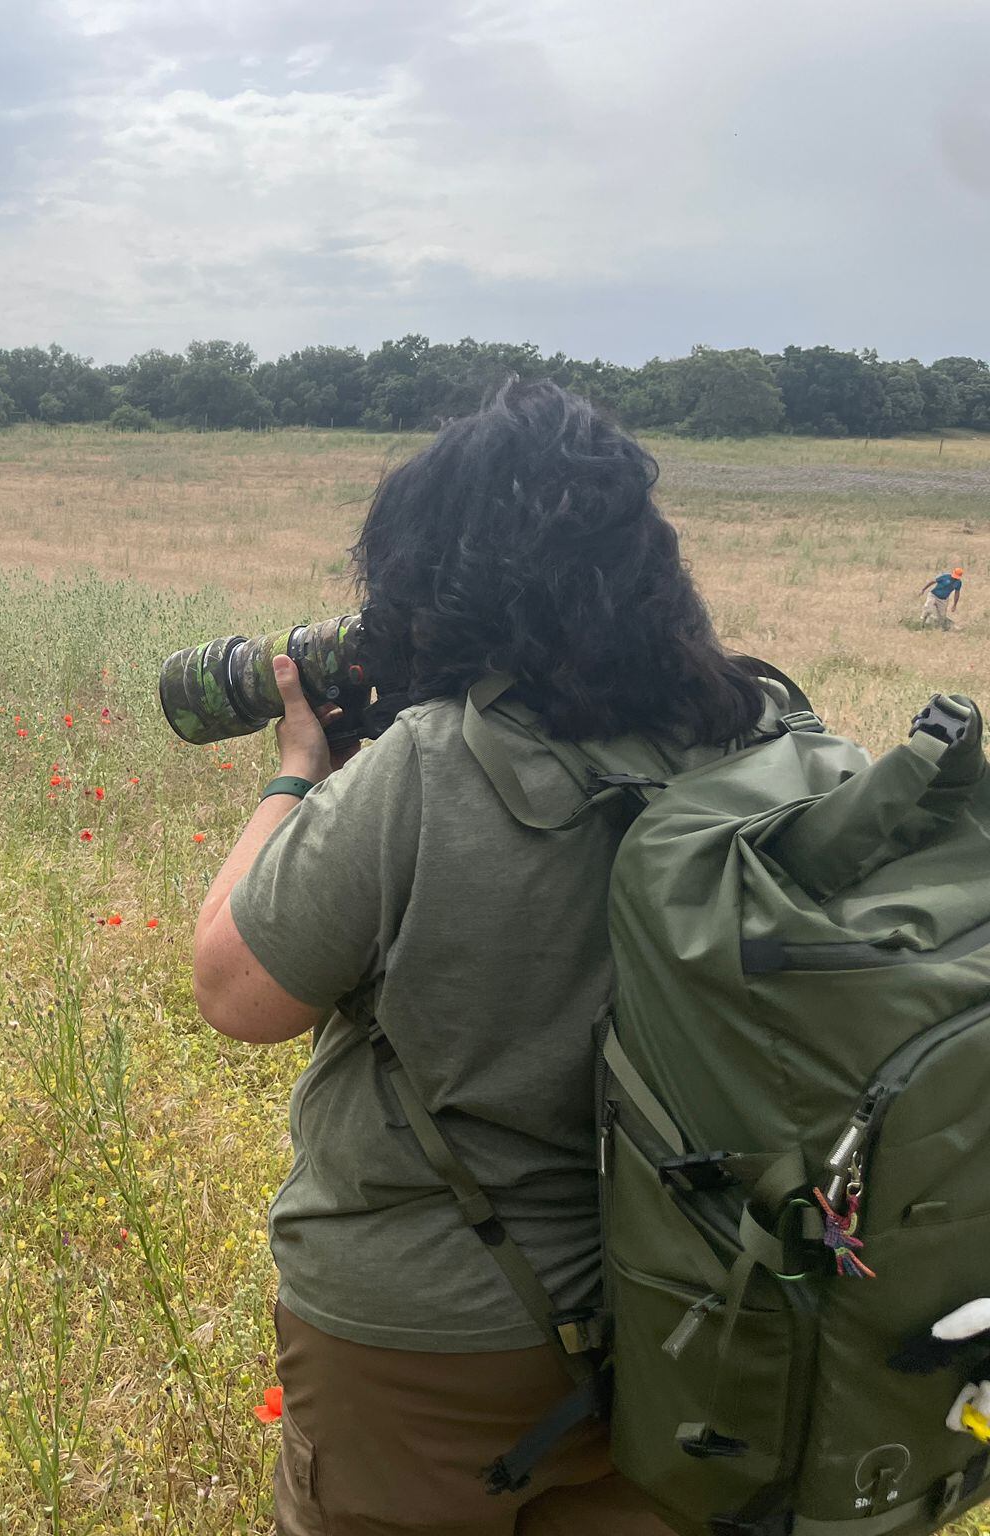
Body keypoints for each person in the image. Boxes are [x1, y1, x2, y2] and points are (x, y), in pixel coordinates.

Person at [193, 381, 781, 1535]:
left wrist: (295, 773)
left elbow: (234, 989)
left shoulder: (426, 764)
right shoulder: (754, 738)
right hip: (695, 1308)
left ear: (436, 582)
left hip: (426, 1341)